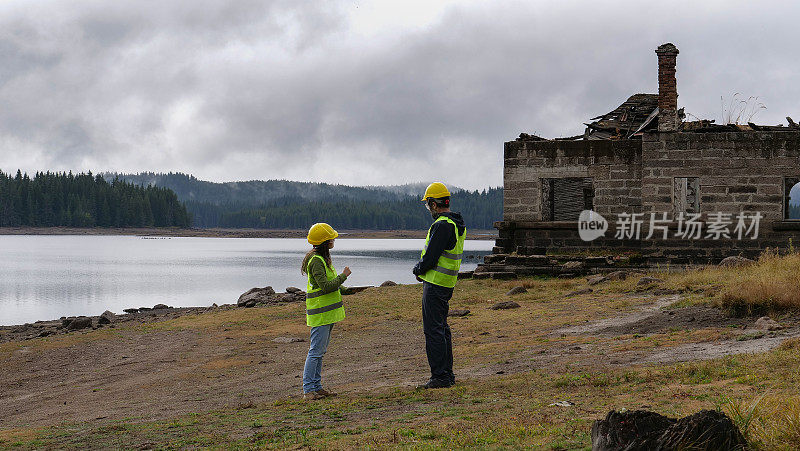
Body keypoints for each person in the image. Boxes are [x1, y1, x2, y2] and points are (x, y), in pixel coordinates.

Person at [412, 182, 466, 389]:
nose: (428, 209)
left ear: (434, 204)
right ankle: (447, 374)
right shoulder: (455, 223)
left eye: (428, 205)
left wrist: (417, 270)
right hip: (446, 283)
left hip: (435, 285)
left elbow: (430, 258)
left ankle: (440, 376)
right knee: (442, 329)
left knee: (433, 330)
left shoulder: (442, 225)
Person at [300, 223, 351, 400]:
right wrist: (344, 276)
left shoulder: (321, 259)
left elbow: (330, 285)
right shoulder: (316, 261)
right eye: (331, 238)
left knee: (320, 351)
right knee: (315, 351)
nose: (334, 240)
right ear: (324, 241)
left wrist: (347, 289)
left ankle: (317, 386)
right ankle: (308, 390)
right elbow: (326, 286)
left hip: (326, 314)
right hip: (320, 314)